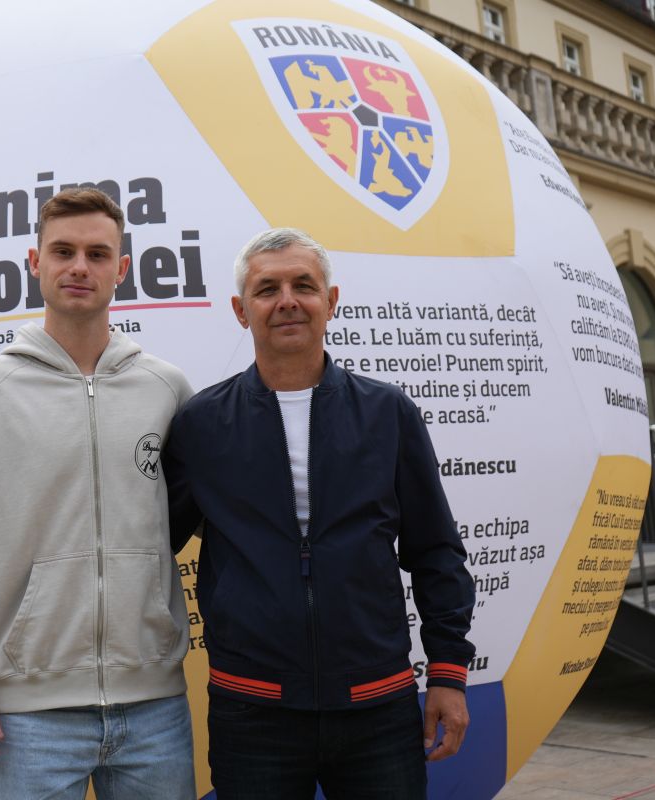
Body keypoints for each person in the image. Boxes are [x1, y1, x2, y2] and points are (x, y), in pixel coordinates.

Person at [164, 228, 475, 799]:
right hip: (251, 712)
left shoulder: (389, 413)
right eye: (267, 289)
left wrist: (449, 674)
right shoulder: (201, 425)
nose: (286, 300)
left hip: (377, 708)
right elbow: (149, 542)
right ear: (241, 310)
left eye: (303, 285)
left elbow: (435, 550)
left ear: (331, 301)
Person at [0, 188, 196, 799]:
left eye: (98, 253)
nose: (80, 266)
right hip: (28, 718)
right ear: (34, 262)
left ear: (122, 269)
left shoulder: (166, 389)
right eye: (63, 251)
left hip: (155, 709)